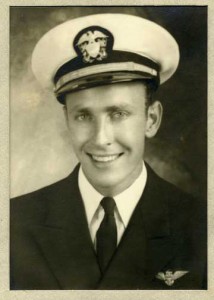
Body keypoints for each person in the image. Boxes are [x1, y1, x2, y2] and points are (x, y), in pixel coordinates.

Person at [10, 13, 206, 290]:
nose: (101, 139)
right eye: (83, 116)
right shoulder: (13, 224)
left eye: (119, 113)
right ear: (67, 120)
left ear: (151, 119)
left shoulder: (201, 226)